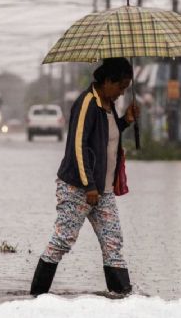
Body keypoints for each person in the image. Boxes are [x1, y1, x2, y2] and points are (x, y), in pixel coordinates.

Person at [30, 57, 140, 296]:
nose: (122, 92)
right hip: (77, 188)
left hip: (104, 191)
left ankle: (124, 300)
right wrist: (89, 186)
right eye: (120, 86)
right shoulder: (87, 103)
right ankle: (35, 299)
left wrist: (125, 122)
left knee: (113, 244)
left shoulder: (108, 106)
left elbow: (105, 138)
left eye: (125, 88)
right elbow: (78, 146)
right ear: (108, 81)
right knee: (62, 241)